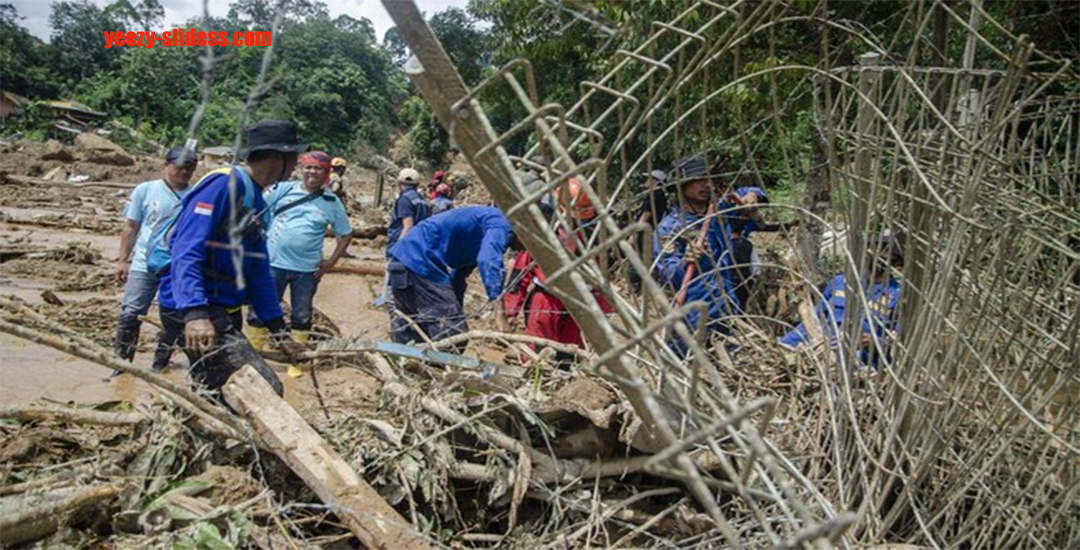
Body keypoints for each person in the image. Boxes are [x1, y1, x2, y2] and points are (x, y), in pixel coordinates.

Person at [158, 120, 306, 395]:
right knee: (262, 389)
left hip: (223, 308)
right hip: (195, 307)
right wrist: (195, 313)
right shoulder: (223, 186)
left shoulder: (256, 200)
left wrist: (278, 330)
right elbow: (186, 249)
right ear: (278, 156)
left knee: (214, 392)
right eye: (294, 156)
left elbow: (258, 270)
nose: (297, 163)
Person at [246, 151, 353, 376]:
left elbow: (345, 234)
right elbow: (257, 212)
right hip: (272, 265)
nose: (312, 172)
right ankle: (253, 355)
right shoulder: (283, 190)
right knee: (260, 310)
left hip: (307, 270)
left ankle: (296, 361)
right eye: (309, 167)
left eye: (319, 169)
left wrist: (330, 263)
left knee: (301, 315)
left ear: (326, 174)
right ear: (301, 169)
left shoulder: (331, 202)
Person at [387, 206, 521, 350]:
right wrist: (500, 315)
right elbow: (487, 260)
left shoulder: (486, 224)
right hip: (419, 262)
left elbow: (458, 277)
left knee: (413, 335)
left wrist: (456, 310)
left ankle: (404, 367)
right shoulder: (502, 224)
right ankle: (438, 369)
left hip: (402, 261)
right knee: (453, 337)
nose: (524, 251)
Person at [112, 146, 197, 372]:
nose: (183, 172)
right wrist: (123, 260)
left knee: (172, 318)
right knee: (130, 313)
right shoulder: (145, 190)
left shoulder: (196, 195)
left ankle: (159, 365)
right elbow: (131, 226)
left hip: (177, 266)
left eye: (189, 167)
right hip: (144, 263)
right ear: (166, 165)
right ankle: (122, 365)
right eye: (178, 166)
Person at [504, 182, 611, 362]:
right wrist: (510, 310)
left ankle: (564, 386)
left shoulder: (594, 236)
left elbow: (599, 278)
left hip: (578, 303)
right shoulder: (546, 233)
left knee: (570, 353)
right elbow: (521, 272)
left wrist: (605, 312)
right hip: (546, 299)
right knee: (537, 348)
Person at [653, 155, 738, 350]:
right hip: (692, 314)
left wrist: (753, 195)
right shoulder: (671, 228)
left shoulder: (717, 215)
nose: (706, 185)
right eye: (699, 180)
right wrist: (687, 261)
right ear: (682, 186)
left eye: (708, 179)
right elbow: (669, 273)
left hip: (727, 307)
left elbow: (750, 199)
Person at [780, 232, 904, 366]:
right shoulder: (841, 282)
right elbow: (816, 318)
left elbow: (897, 341)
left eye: (885, 252)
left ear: (895, 261)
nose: (875, 255)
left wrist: (876, 342)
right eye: (873, 249)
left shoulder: (897, 294)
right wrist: (788, 342)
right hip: (822, 345)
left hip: (856, 359)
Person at [373, 168, 431, 307]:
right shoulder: (421, 200)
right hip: (417, 243)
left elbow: (408, 224)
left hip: (403, 242)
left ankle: (390, 301)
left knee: (394, 271)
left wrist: (398, 247)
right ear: (417, 184)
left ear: (399, 182)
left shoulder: (404, 199)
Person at [628, 168, 669, 293]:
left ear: (655, 181)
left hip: (646, 231)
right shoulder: (660, 194)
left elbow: (646, 214)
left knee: (638, 256)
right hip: (652, 230)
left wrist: (634, 233)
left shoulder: (654, 194)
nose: (646, 181)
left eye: (649, 179)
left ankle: (637, 285)